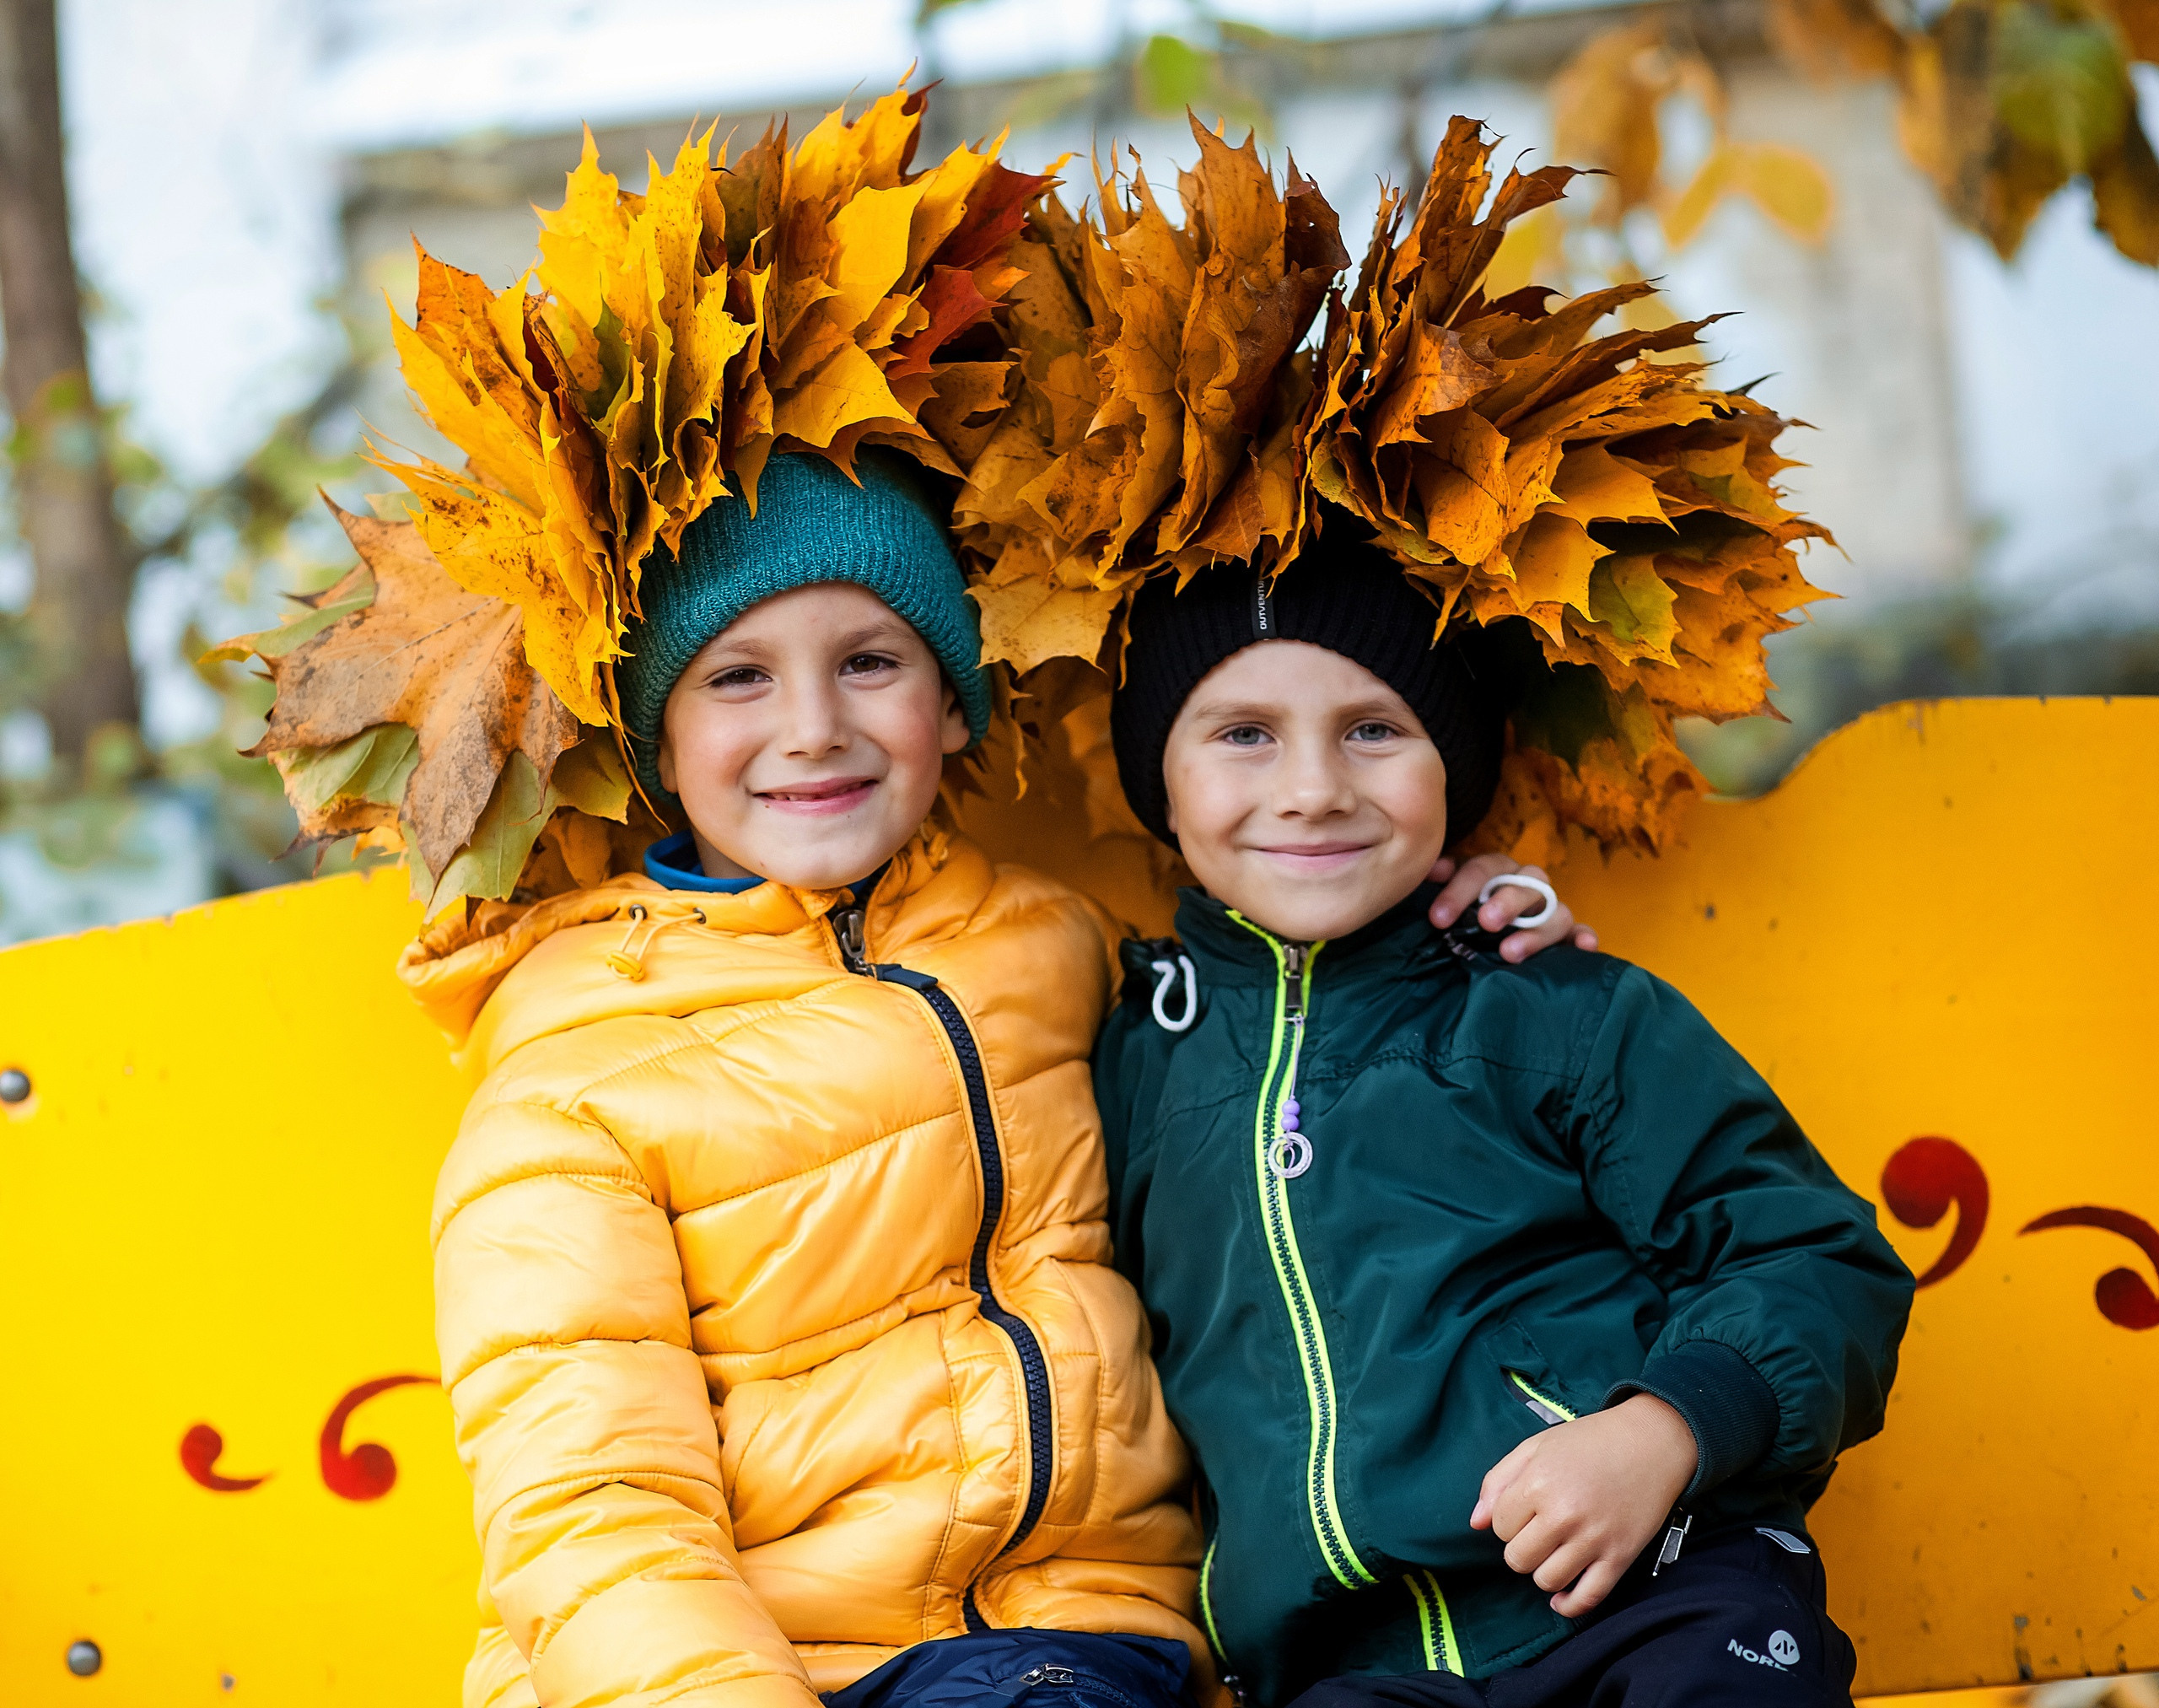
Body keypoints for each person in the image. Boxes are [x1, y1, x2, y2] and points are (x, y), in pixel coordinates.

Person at [406, 452, 1585, 1708]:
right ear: (660, 738)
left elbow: (1289, 1098)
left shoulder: (1067, 951)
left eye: (871, 660)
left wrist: (1447, 937)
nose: (814, 723)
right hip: (771, 1667)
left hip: (1102, 1644)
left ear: (955, 702)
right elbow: (588, 1504)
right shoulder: (576, 1067)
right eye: (738, 676)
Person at [1091, 540, 1916, 1708]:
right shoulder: (1134, 1060)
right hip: (1348, 1666)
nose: (1315, 786)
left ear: (1455, 768)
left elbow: (1813, 1256)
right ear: (1156, 780)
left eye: (1375, 729)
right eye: (1243, 733)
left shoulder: (1551, 1005)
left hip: (1653, 1591)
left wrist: (1666, 1430)